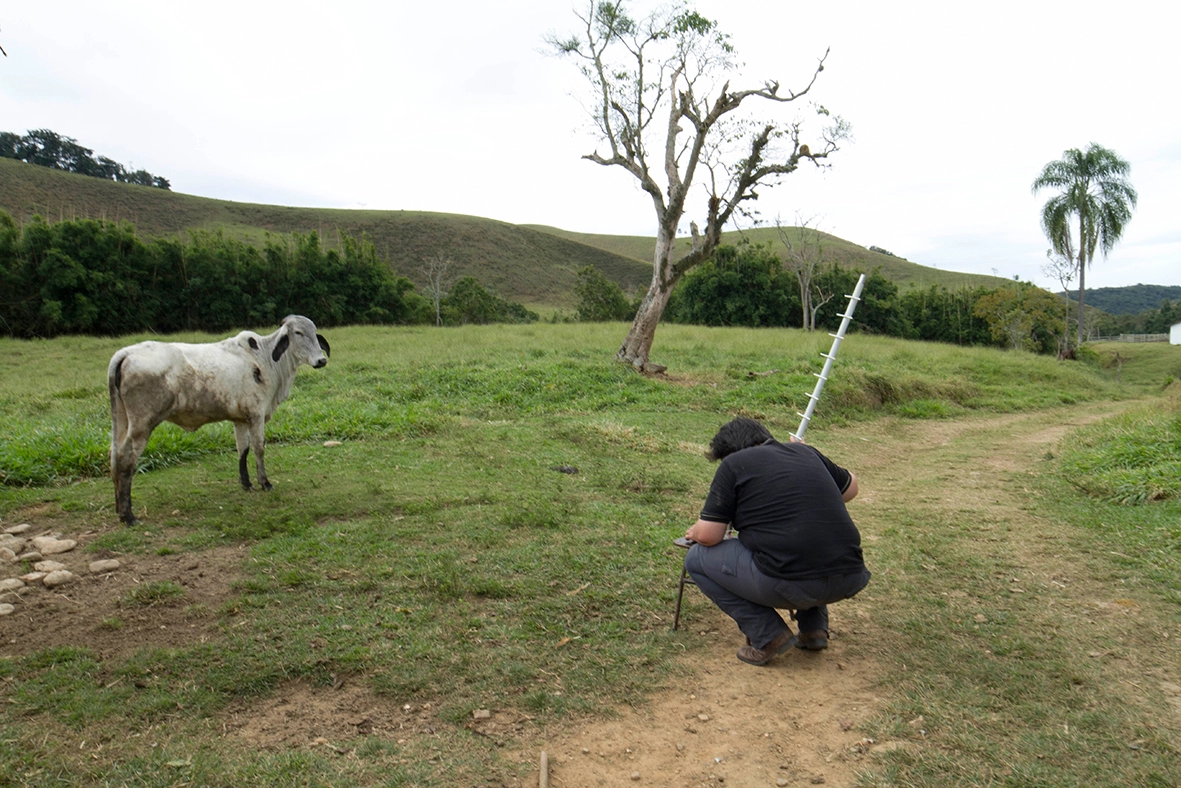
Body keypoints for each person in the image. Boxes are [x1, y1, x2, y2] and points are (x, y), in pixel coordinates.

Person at [683, 417, 870, 666]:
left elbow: (709, 535)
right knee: (801, 537)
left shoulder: (735, 464)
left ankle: (768, 635)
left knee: (696, 559)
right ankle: (813, 630)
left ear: (731, 452)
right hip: (850, 576)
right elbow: (851, 488)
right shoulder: (806, 452)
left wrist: (695, 532)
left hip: (791, 585)